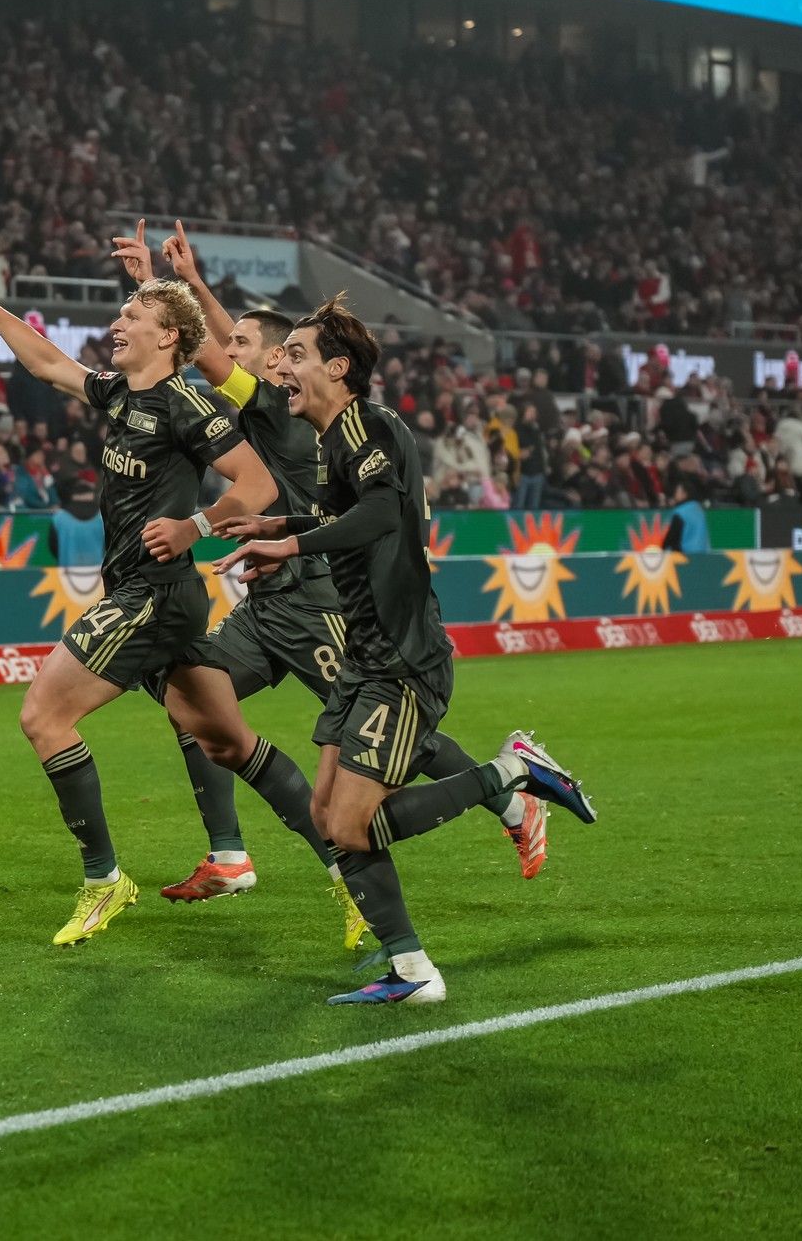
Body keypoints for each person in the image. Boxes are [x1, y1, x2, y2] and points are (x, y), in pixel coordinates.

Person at [116, 223, 533, 925]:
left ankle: (510, 797)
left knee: (402, 739)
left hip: (323, 602)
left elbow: (208, 352)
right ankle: (229, 854)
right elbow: (210, 347)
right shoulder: (287, 413)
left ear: (286, 360)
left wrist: (177, 290)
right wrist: (172, 288)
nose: (233, 353)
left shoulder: (292, 417)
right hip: (266, 602)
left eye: (251, 346)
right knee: (193, 696)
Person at [0, 274, 321, 950]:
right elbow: (48, 362)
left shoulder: (186, 404)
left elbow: (257, 484)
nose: (119, 319)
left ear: (166, 336)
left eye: (133, 311)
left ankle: (103, 879)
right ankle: (349, 869)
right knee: (229, 741)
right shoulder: (121, 395)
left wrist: (194, 526)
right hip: (148, 595)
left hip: (153, 595)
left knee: (43, 716)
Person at [217, 296, 597, 1004]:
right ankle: (413, 971)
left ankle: (513, 770)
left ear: (338, 368)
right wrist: (283, 519)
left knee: (353, 822)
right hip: (364, 658)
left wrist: (290, 541)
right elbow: (343, 513)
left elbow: (382, 513)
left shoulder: (373, 428)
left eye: (294, 356)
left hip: (402, 658)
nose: (281, 367)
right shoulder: (335, 442)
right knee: (330, 822)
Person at [48, 480, 105, 568]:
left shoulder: (59, 518)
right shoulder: (102, 517)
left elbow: (53, 547)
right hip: (97, 573)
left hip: (66, 573)